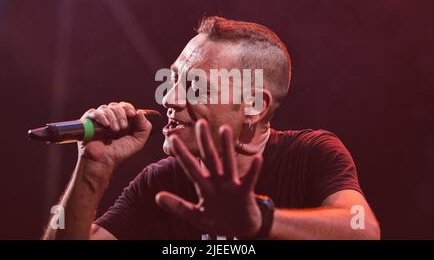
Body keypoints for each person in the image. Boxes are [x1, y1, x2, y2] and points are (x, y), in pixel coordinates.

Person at [43, 16, 380, 240]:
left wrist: (260, 220)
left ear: (254, 106)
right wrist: (93, 167)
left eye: (196, 88)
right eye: (173, 80)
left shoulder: (310, 154)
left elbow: (363, 230)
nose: (170, 99)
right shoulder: (160, 183)